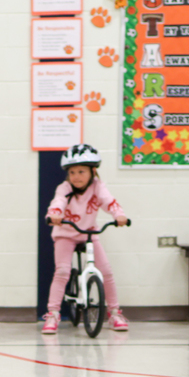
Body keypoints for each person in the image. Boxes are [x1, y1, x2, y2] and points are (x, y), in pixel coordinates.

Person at [44, 143, 128, 335]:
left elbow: (109, 201)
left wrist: (119, 215)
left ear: (93, 171)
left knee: (106, 271)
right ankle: (53, 314)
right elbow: (58, 202)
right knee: (62, 271)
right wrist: (54, 214)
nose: (76, 176)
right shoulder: (64, 188)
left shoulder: (98, 187)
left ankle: (114, 312)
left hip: (89, 233)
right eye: (72, 172)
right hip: (65, 234)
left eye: (81, 171)